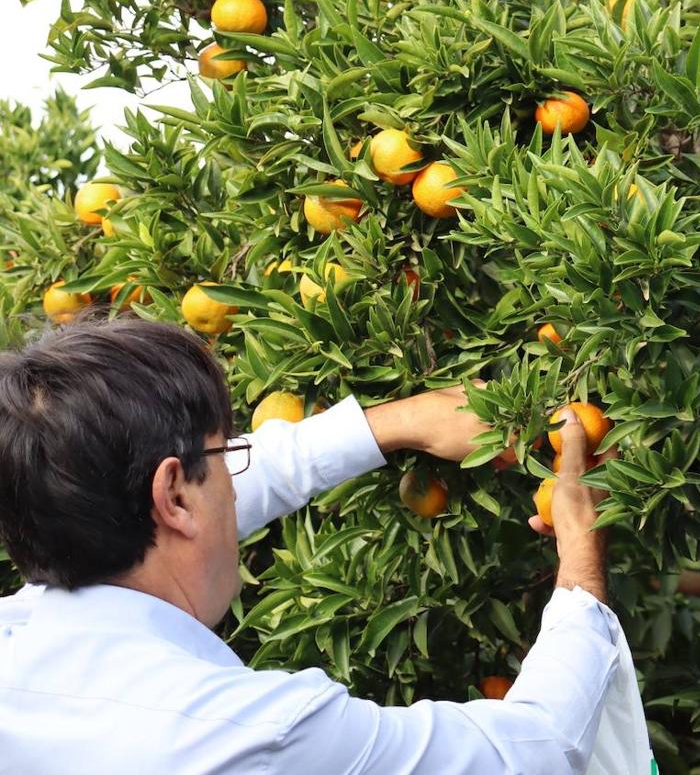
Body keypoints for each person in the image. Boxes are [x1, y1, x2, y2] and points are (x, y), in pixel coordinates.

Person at [0, 317, 623, 774]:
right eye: (225, 455)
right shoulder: (252, 736)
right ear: (175, 498)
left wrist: (400, 421)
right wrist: (581, 563)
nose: (238, 479)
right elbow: (537, 749)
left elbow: (226, 481)